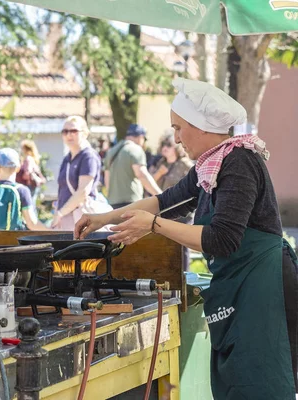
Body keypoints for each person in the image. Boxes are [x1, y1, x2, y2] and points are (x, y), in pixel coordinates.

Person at [75, 77, 298, 399]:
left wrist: (152, 226)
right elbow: (166, 202)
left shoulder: (239, 161)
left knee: (262, 383)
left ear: (202, 126)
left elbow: (222, 239)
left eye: (179, 128)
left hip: (265, 287)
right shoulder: (211, 163)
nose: (176, 139)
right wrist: (104, 218)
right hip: (241, 285)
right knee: (239, 382)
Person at [52, 115, 110, 231]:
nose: (69, 134)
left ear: (85, 133)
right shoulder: (67, 158)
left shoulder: (88, 156)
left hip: (81, 216)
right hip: (66, 217)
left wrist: (60, 213)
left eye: (74, 130)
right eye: (65, 131)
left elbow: (83, 191)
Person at [0, 148, 48, 231]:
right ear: (18, 168)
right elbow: (32, 223)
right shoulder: (22, 190)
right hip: (15, 241)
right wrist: (50, 230)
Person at [104, 124, 162, 209]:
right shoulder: (136, 149)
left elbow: (107, 179)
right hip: (132, 202)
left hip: (113, 204)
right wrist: (160, 195)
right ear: (141, 137)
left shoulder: (111, 151)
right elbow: (142, 175)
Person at [16, 139, 46, 205]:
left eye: (22, 148)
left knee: (29, 205)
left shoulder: (28, 159)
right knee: (32, 203)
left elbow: (27, 173)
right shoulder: (33, 158)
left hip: (29, 185)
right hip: (33, 185)